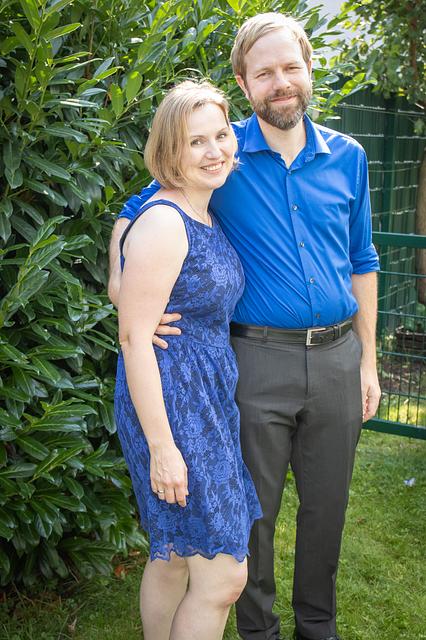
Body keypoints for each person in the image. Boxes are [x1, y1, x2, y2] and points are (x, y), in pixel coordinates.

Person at [110, 13, 381, 640]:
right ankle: (258, 631)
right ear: (244, 82)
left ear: (308, 69)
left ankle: (318, 628)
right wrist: (123, 286)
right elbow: (137, 209)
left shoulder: (349, 157)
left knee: (327, 509)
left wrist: (368, 361)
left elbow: (363, 260)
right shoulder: (218, 150)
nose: (280, 82)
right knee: (249, 514)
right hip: (256, 359)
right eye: (264, 73)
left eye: (290, 67)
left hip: (338, 357)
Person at [114, 79, 262, 640]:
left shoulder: (200, 210)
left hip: (205, 398)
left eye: (221, 135)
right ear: (169, 151)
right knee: (224, 576)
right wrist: (162, 448)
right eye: (195, 142)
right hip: (172, 407)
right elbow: (134, 341)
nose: (214, 151)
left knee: (174, 554)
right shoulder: (166, 220)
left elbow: (127, 229)